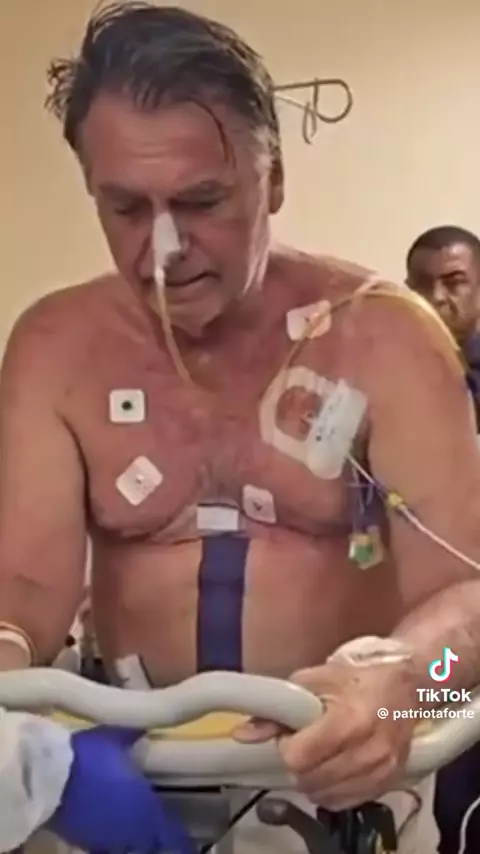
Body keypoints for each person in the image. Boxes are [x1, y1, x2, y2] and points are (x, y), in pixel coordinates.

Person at [2, 4, 480, 852]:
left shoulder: (389, 342)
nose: (163, 248)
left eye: (202, 201)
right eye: (125, 208)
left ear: (276, 179)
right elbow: (23, 604)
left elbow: (471, 616)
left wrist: (411, 689)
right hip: (132, 779)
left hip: (346, 786)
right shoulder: (55, 351)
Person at [407, 225, 480, 854]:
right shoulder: (406, 380)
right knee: (454, 782)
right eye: (422, 285)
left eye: (454, 282)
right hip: (451, 622)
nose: (438, 298)